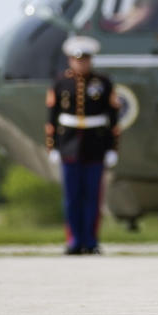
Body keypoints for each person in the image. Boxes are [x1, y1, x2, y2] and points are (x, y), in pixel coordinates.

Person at [45, 36, 121, 255]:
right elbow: (52, 120)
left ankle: (91, 240)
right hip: (69, 145)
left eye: (85, 59)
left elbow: (113, 121)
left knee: (92, 197)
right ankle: (74, 240)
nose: (81, 63)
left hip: (95, 145)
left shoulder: (103, 83)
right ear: (70, 60)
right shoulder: (60, 83)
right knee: (72, 198)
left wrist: (112, 149)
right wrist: (53, 147)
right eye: (77, 59)